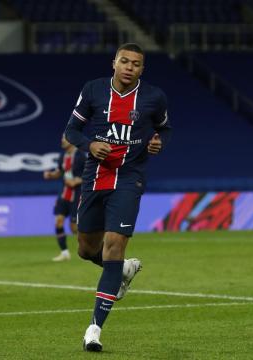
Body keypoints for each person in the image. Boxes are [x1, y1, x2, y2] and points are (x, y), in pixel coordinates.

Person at [64, 43, 172, 351]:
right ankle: (125, 270)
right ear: (114, 63)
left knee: (113, 247)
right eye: (124, 61)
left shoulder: (154, 97)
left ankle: (94, 329)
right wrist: (89, 146)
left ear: (141, 69)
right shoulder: (93, 90)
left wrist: (157, 142)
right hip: (95, 178)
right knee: (86, 249)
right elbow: (71, 130)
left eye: (135, 64)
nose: (129, 67)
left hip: (129, 179)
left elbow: (165, 129)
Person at [43, 135, 86, 262]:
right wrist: (51, 175)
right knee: (59, 221)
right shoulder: (62, 156)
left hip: (77, 195)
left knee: (74, 228)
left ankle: (90, 247)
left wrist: (77, 181)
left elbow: (91, 174)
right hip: (64, 194)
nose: (62, 140)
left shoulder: (81, 156)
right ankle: (64, 253)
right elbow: (60, 172)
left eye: (65, 138)